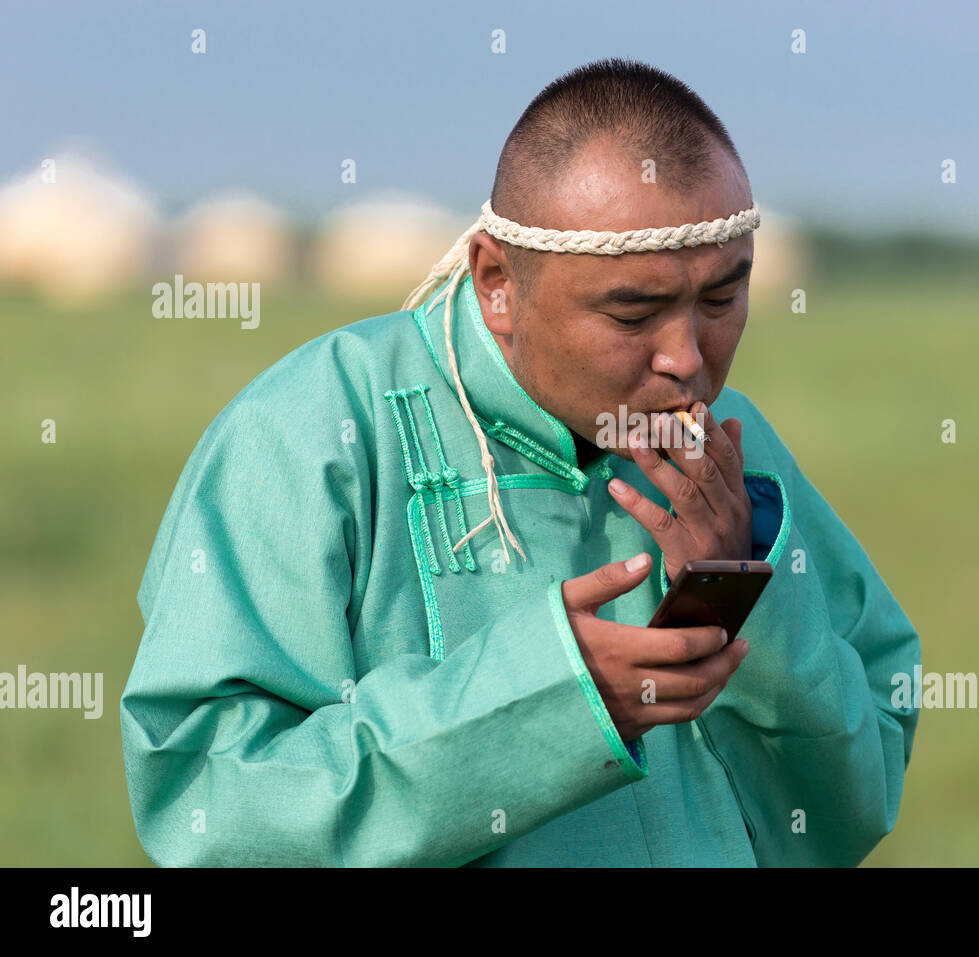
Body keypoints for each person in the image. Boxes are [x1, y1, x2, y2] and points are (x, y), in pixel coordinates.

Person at [120, 57, 921, 867]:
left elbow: (857, 793)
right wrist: (555, 702)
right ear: (498, 283)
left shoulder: (729, 445)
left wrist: (741, 584)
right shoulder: (310, 435)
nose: (686, 357)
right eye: (634, 310)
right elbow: (207, 808)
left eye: (721, 299)